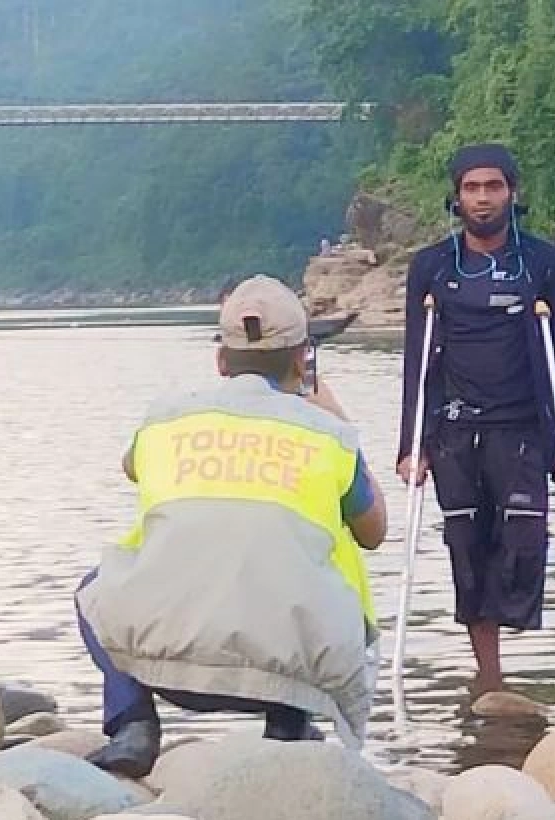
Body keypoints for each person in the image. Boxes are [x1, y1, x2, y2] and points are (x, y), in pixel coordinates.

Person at [75, 274, 388, 777]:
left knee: (93, 587)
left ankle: (133, 722)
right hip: (287, 671)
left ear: (221, 360)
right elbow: (374, 532)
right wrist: (335, 415)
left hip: (168, 664)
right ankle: (287, 726)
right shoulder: (330, 435)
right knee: (313, 575)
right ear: (302, 358)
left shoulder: (166, 419)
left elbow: (131, 467)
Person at [396, 143, 555, 704]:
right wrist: (413, 446)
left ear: (512, 192)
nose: (482, 198)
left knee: (522, 545)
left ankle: (504, 665)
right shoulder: (433, 266)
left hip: (524, 429)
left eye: (493, 187)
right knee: (467, 545)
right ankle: (490, 674)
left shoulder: (546, 263)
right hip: (455, 429)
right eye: (471, 188)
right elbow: (417, 357)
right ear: (456, 197)